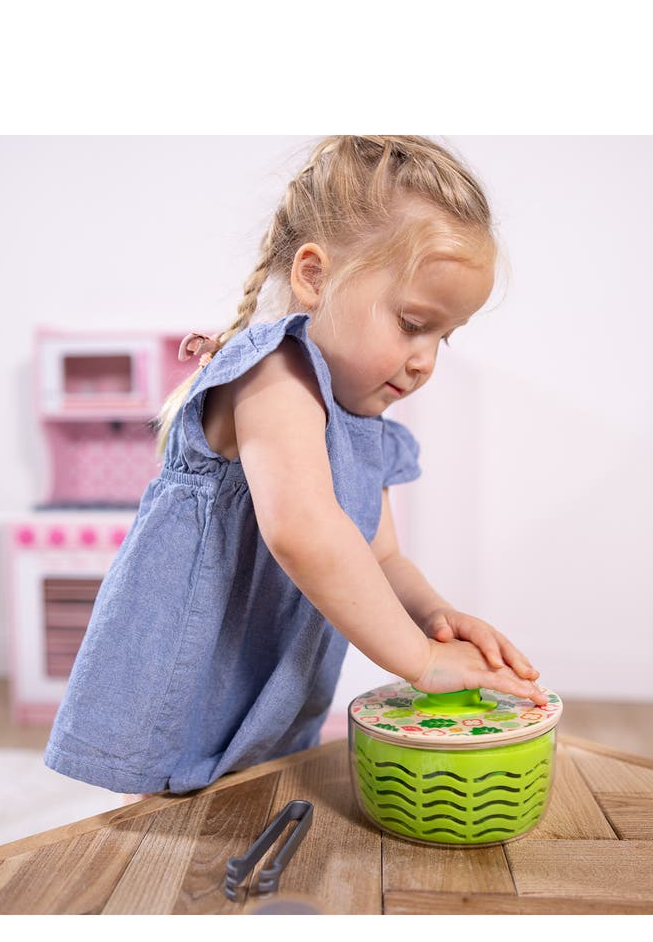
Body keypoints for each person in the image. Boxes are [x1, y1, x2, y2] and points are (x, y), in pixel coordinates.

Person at [43, 135, 547, 799]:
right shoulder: (272, 371)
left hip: (262, 694)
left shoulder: (362, 422)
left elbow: (382, 559)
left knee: (243, 809)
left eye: (442, 337)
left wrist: (438, 619)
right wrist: (421, 663)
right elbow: (304, 529)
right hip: (187, 682)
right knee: (173, 837)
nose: (426, 360)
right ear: (314, 275)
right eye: (413, 322)